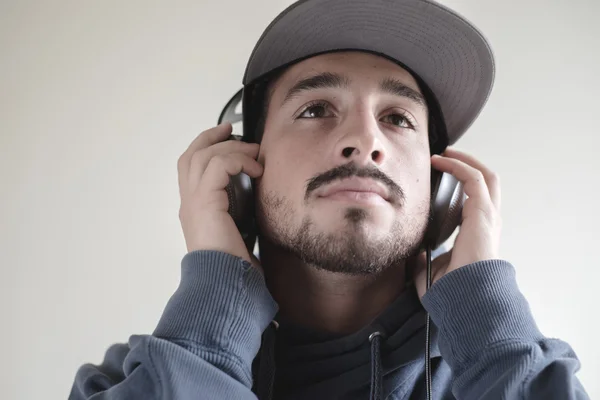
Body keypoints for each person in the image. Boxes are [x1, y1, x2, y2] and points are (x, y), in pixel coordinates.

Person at [69, 0, 589, 399]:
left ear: (441, 186)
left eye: (398, 119)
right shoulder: (129, 381)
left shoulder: (500, 369)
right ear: (245, 167)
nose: (366, 140)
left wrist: (487, 320)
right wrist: (212, 314)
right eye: (316, 108)